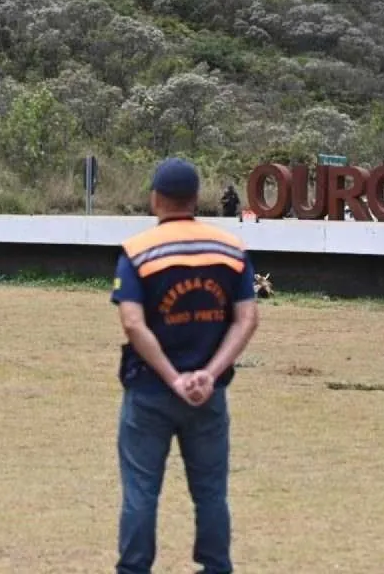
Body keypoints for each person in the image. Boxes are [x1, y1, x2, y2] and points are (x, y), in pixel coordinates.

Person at [109, 157, 260, 574]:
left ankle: (134, 569)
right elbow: (247, 318)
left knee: (141, 492)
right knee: (211, 492)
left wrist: (174, 379)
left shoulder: (137, 251)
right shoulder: (231, 249)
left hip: (149, 392)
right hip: (208, 396)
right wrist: (207, 375)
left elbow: (132, 323)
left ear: (155, 198)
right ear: (196, 199)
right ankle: (216, 567)